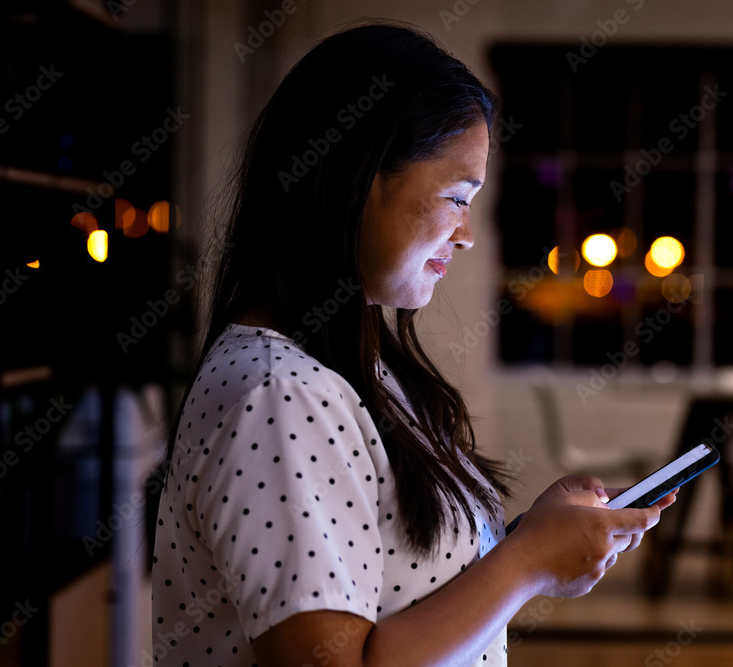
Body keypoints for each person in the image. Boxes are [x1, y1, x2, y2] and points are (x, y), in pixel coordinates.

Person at [150, 20, 674, 667]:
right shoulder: (281, 395)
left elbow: (396, 588)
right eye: (456, 196)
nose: (467, 234)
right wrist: (529, 561)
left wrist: (533, 539)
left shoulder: (350, 368)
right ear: (356, 176)